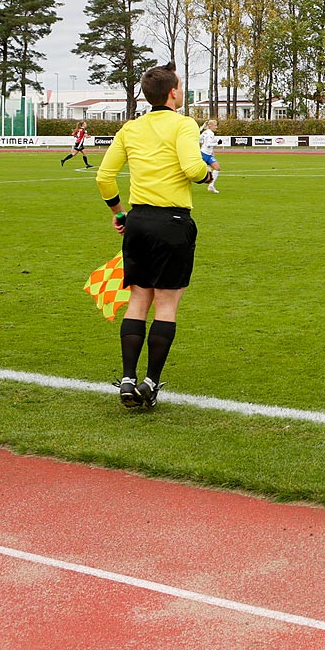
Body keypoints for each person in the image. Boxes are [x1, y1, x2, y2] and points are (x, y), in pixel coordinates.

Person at [95, 65, 214, 411]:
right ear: (173, 93)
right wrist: (207, 173)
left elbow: (104, 177)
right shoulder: (183, 123)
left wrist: (120, 214)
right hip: (172, 221)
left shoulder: (130, 128)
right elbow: (193, 169)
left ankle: (128, 378)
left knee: (137, 300)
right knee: (165, 305)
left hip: (139, 220)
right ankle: (149, 383)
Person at [198, 119, 221, 191]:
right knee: (196, 171)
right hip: (204, 154)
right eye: (215, 125)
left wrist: (212, 151)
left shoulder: (206, 132)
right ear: (210, 126)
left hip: (208, 154)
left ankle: (211, 186)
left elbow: (198, 138)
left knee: (217, 168)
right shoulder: (210, 133)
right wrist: (217, 143)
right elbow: (208, 144)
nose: (216, 127)